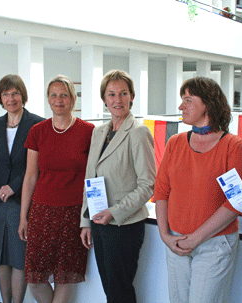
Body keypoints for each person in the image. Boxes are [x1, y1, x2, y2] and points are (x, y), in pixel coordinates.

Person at [153, 77, 242, 303]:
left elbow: (235, 202)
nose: (180, 106)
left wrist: (195, 239)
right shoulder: (175, 143)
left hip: (214, 245)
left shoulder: (232, 146)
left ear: (208, 104)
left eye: (188, 100)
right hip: (176, 242)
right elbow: (161, 192)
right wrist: (165, 235)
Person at [80, 70, 156, 303]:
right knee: (110, 289)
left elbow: (148, 185)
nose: (117, 99)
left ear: (131, 96)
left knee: (119, 290)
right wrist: (86, 221)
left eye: (123, 93)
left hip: (124, 225)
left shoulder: (138, 132)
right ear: (104, 99)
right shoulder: (99, 132)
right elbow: (89, 177)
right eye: (111, 94)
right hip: (99, 222)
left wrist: (114, 211)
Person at [18, 75, 94, 303]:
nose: (59, 100)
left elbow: (94, 177)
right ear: (47, 99)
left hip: (74, 213)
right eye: (54, 95)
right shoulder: (38, 131)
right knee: (35, 279)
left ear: (72, 99)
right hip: (42, 212)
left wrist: (87, 219)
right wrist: (24, 217)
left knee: (65, 277)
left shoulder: (89, 131)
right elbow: (30, 177)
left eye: (64, 95)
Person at [0, 75, 44, 303]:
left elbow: (38, 165)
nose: (10, 98)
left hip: (21, 199)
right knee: (1, 256)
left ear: (23, 95)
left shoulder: (37, 124)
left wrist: (14, 187)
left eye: (15, 93)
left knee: (19, 257)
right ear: (0, 98)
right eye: (5, 94)